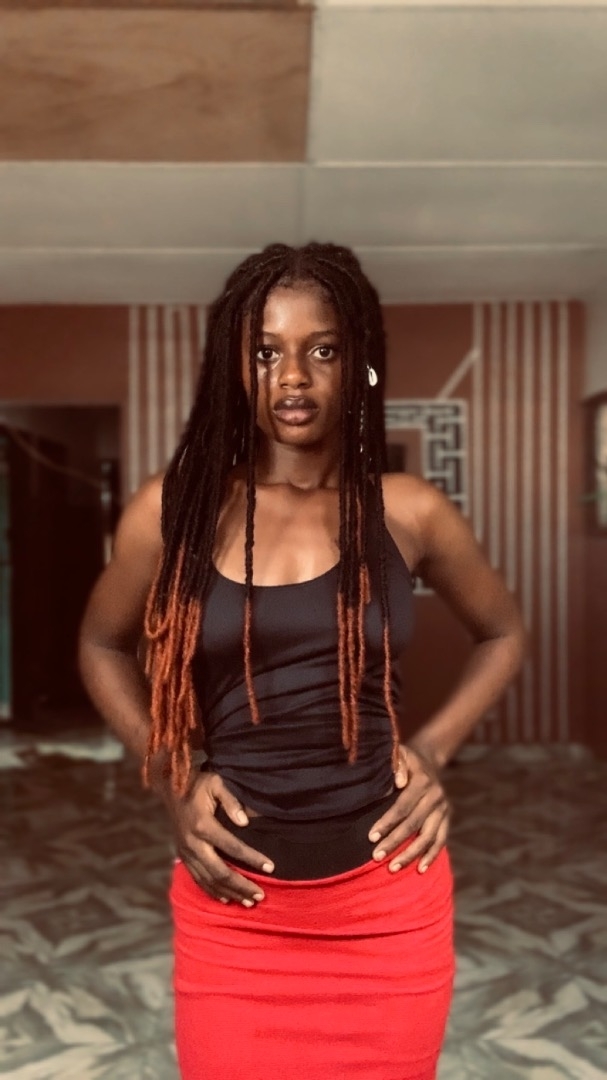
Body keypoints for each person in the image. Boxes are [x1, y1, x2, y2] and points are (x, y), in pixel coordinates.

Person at [79, 243, 525, 1080]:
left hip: (386, 904)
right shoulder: (172, 509)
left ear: (357, 363)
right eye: (264, 352)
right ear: (234, 369)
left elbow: (503, 632)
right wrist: (173, 776)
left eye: (321, 349)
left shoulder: (408, 510)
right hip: (233, 910)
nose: (292, 376)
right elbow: (100, 644)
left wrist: (432, 750)